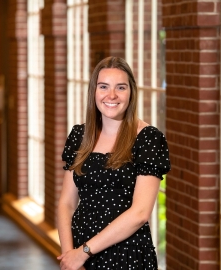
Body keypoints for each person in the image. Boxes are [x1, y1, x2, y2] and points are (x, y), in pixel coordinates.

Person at [57, 56, 171, 270]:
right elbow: (66, 203)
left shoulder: (148, 139)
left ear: (131, 93)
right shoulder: (80, 135)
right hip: (79, 255)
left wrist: (83, 252)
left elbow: (139, 214)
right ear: (94, 91)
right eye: (103, 87)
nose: (111, 95)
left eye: (120, 87)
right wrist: (69, 256)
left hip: (126, 256)